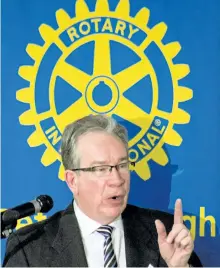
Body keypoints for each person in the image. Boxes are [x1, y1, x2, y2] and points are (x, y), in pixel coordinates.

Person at [3, 114, 202, 267]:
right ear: (72, 180)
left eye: (122, 165)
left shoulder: (165, 232)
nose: (117, 179)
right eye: (100, 169)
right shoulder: (29, 249)